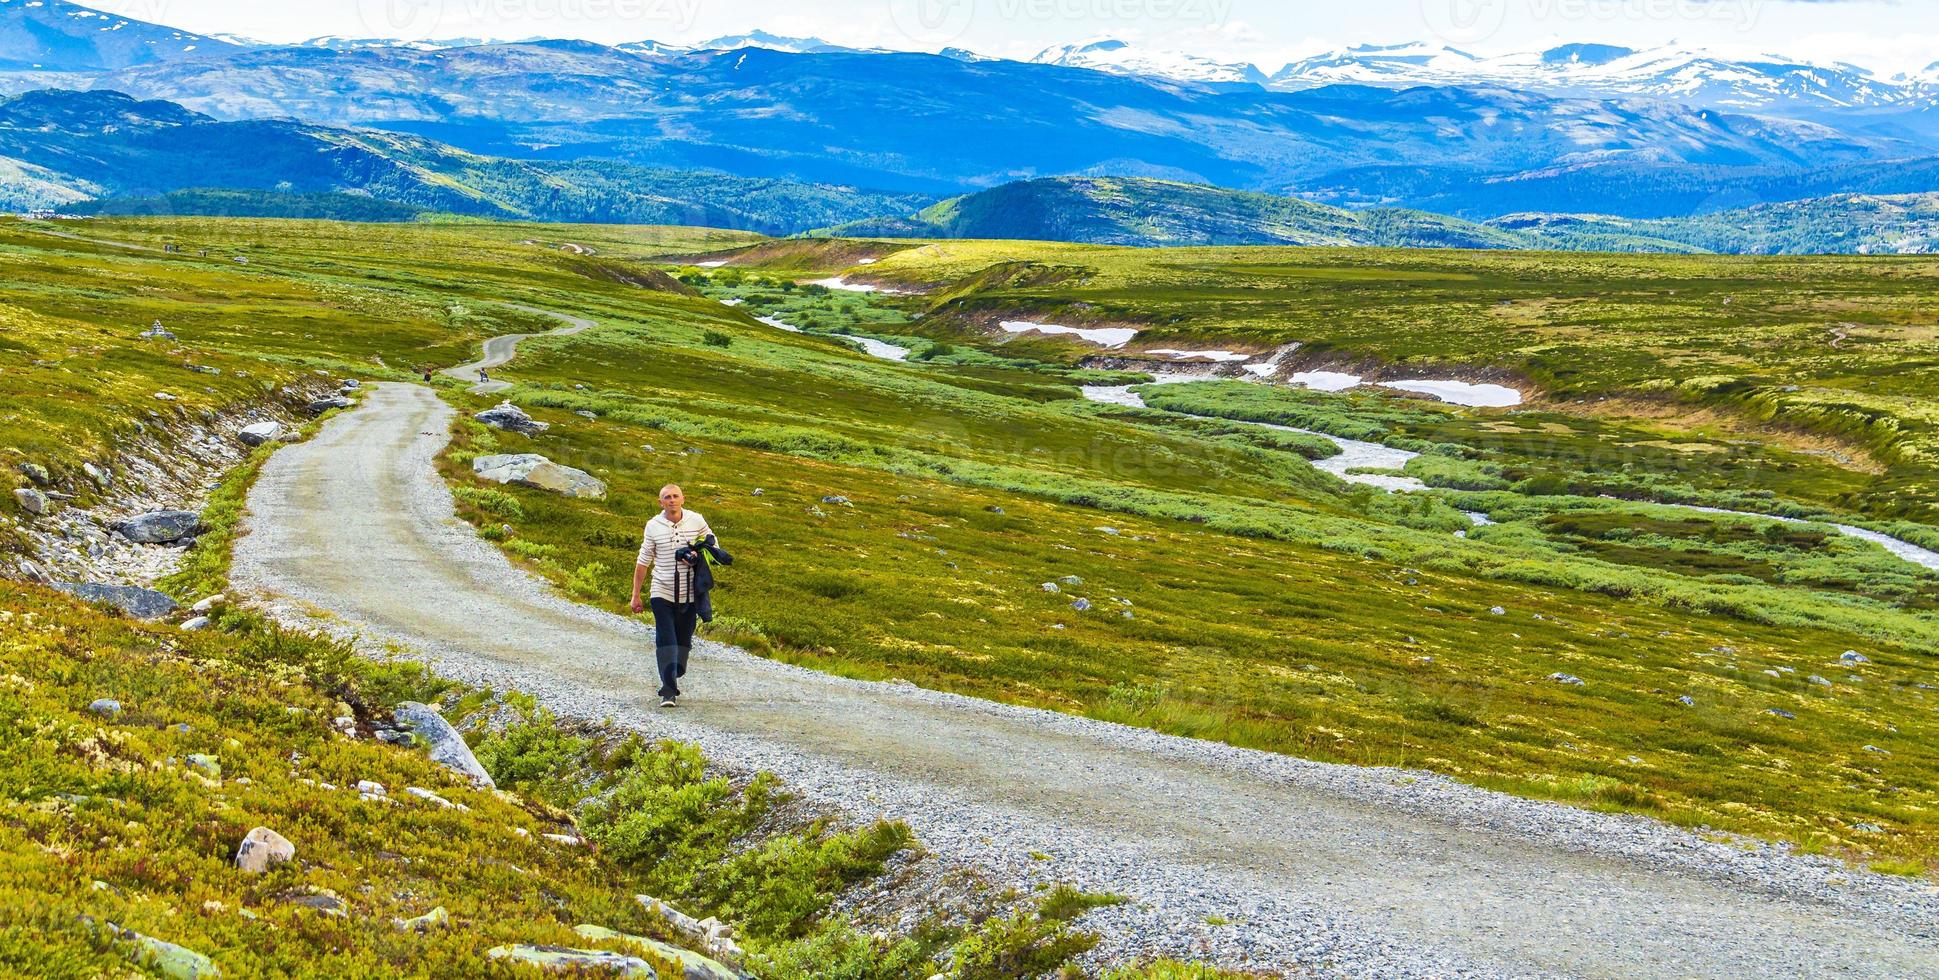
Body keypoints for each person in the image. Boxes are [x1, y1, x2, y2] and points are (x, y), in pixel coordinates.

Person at [630, 484, 716, 707]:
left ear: (683, 499)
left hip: (690, 595)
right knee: (666, 638)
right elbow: (643, 561)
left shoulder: (696, 520)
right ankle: (668, 691)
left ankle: (675, 672)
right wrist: (636, 595)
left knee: (683, 643)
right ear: (661, 503)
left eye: (675, 496)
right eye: (667, 497)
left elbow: (714, 544)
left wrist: (697, 553)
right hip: (662, 591)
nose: (671, 500)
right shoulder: (653, 525)